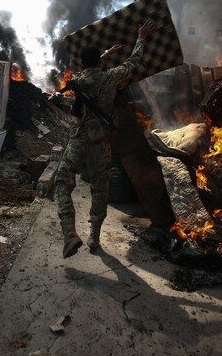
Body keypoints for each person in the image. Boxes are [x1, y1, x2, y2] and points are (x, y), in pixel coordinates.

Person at [55, 18, 157, 258]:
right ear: (99, 61)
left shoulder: (77, 80)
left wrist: (103, 54)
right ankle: (94, 238)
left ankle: (70, 234)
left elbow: (89, 69)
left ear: (83, 62)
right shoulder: (110, 78)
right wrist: (140, 37)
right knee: (100, 189)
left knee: (62, 182)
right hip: (101, 143)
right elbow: (132, 63)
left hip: (78, 142)